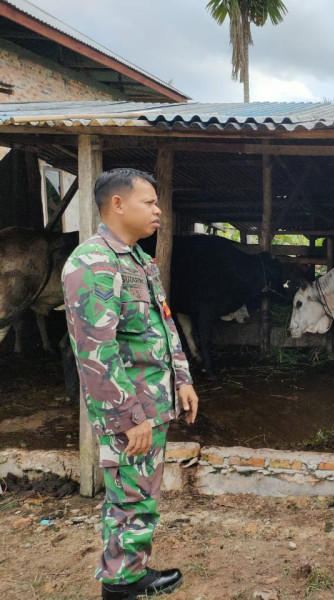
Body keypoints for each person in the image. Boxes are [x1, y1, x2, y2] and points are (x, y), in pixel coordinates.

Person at [62, 168, 199, 600]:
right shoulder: (92, 263)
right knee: (129, 498)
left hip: (152, 402)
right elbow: (95, 353)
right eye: (150, 202)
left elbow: (162, 323)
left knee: (140, 495)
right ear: (117, 204)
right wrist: (128, 418)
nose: (159, 210)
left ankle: (131, 569)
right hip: (131, 411)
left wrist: (183, 378)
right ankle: (121, 584)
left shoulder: (139, 261)